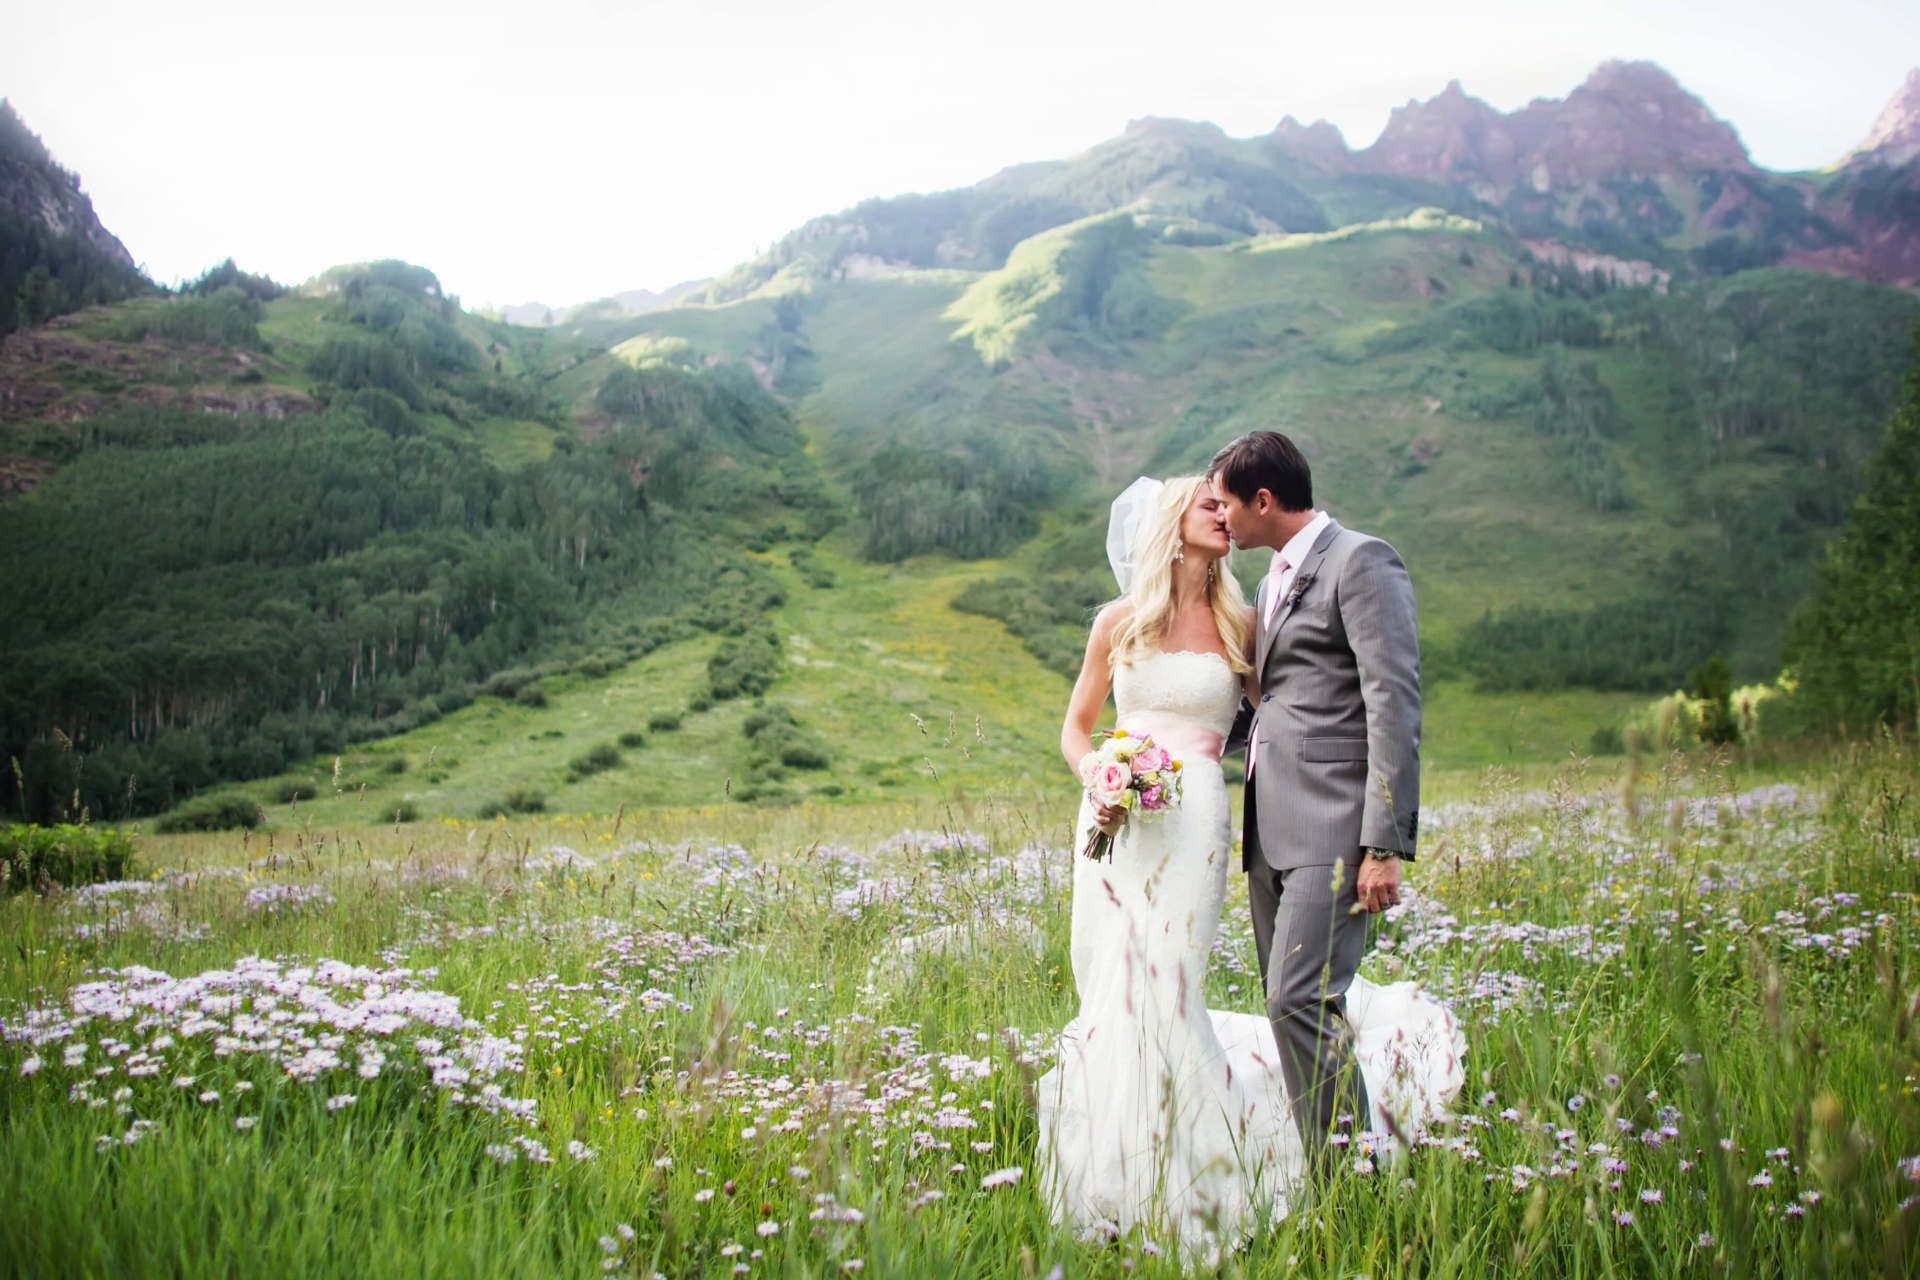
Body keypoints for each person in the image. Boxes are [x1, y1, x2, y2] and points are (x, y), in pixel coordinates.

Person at [1034, 471, 1460, 1265]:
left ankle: (1193, 1169)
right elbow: (1076, 728)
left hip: (1194, 814)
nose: (1224, 517)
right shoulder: (1119, 621)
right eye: (1209, 506)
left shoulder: (1241, 620)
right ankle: (1110, 1172)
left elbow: (1291, 712)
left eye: (1227, 506)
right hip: (1118, 822)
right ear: (1174, 519)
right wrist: (1099, 776)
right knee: (1113, 981)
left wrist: (1354, 808)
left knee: (1171, 979)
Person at [1208, 429, 1424, 1175]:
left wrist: (1384, 842)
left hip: (1336, 827)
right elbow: (1275, 702)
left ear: (1263, 500)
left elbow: (1392, 701)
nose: (1220, 517)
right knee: (1298, 1010)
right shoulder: (1269, 584)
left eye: (1226, 504)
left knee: (1297, 1002)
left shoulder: (1362, 561)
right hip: (1269, 833)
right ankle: (1334, 1170)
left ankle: (1350, 1186)